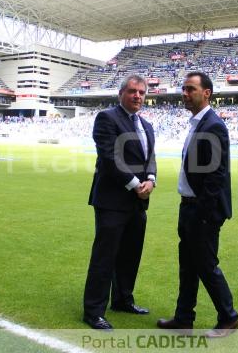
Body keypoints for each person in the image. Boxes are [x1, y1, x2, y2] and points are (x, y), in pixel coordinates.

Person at [157, 71, 238, 337]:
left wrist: (202, 214)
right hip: (188, 207)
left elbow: (216, 176)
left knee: (205, 265)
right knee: (188, 265)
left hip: (202, 210)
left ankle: (229, 318)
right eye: (183, 88)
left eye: (190, 89)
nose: (185, 93)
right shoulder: (197, 124)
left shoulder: (213, 125)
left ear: (206, 93)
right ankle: (183, 318)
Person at [83, 74, 157, 330]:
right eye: (133, 91)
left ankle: (123, 299)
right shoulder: (107, 118)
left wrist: (151, 178)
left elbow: (151, 157)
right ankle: (93, 311)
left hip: (137, 203)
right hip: (112, 201)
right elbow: (109, 157)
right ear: (121, 94)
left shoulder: (146, 125)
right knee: (105, 257)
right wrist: (137, 185)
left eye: (142, 93)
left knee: (130, 255)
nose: (138, 96)